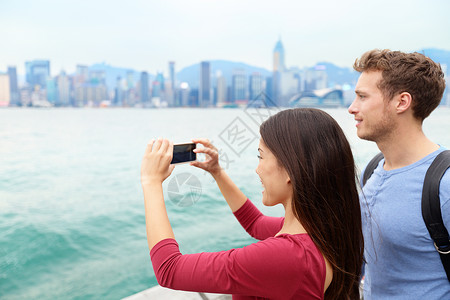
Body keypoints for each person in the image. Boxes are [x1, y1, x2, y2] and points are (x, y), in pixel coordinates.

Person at [141, 108, 364, 300]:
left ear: (289, 169)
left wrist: (151, 182)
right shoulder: (324, 230)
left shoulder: (286, 257)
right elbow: (255, 223)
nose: (257, 169)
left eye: (261, 156)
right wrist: (217, 172)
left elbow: (169, 269)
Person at [348, 49, 450, 299]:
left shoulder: (444, 184)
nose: (352, 108)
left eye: (362, 97)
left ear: (402, 102)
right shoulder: (371, 171)